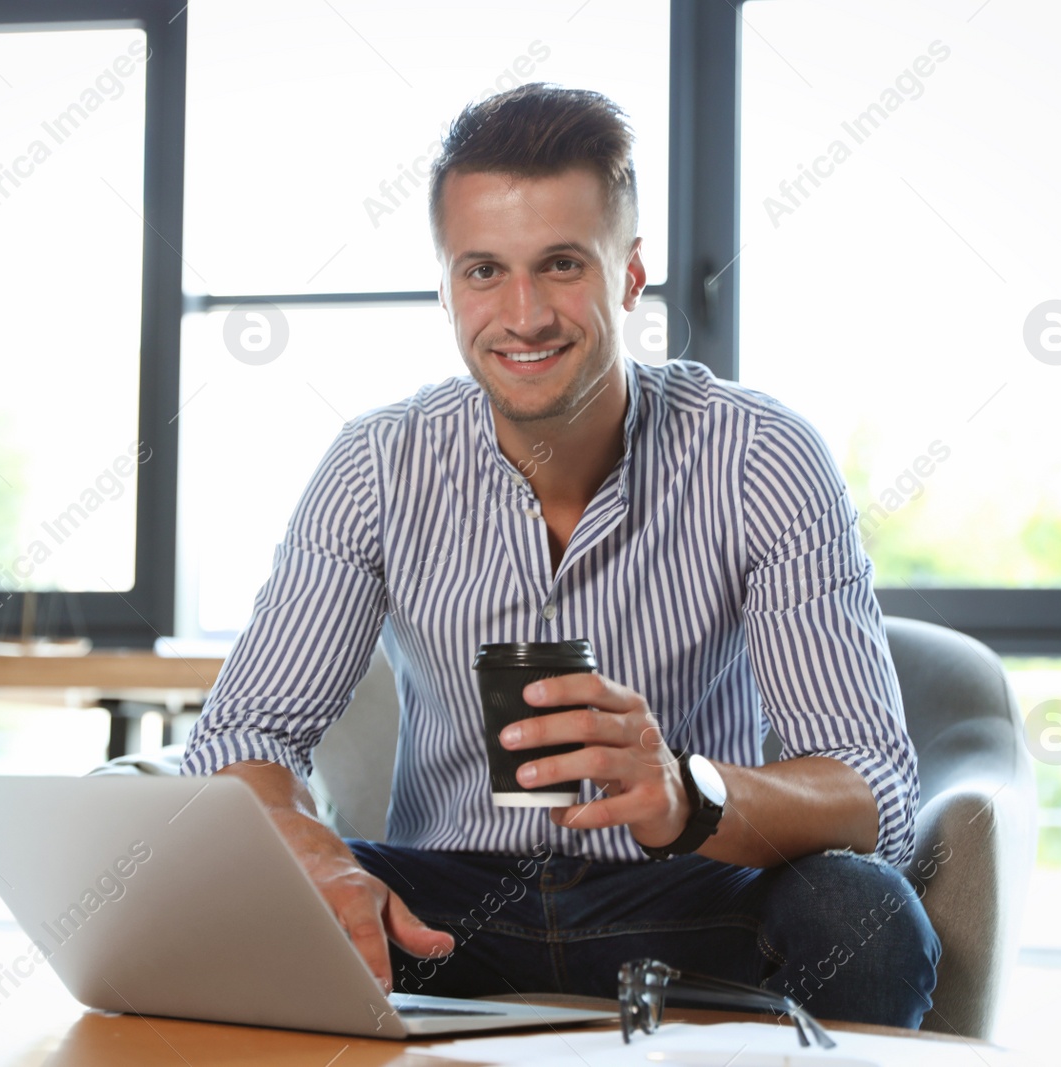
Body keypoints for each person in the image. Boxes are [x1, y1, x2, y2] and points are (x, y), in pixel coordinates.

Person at [182, 82, 940, 1028]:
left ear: (629, 274)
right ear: (449, 284)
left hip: (687, 895)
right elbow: (240, 742)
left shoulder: (759, 454)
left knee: (862, 913)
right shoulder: (378, 463)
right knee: (237, 898)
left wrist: (686, 792)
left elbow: (873, 793)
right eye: (484, 270)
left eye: (562, 265)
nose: (525, 313)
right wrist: (320, 856)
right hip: (451, 905)